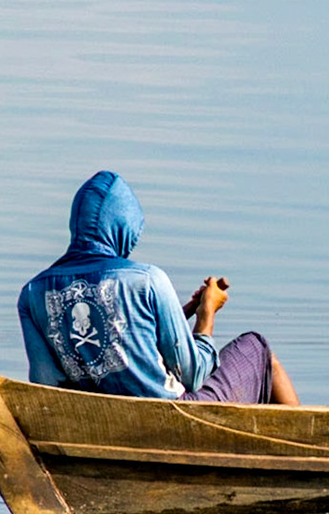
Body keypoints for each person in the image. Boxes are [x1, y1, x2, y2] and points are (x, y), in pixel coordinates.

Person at [17, 171, 300, 404]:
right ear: (123, 227)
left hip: (100, 426)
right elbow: (193, 375)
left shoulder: (32, 293)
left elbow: (47, 384)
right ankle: (309, 445)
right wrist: (207, 315)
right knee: (258, 350)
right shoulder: (148, 280)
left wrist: (180, 313)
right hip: (176, 417)